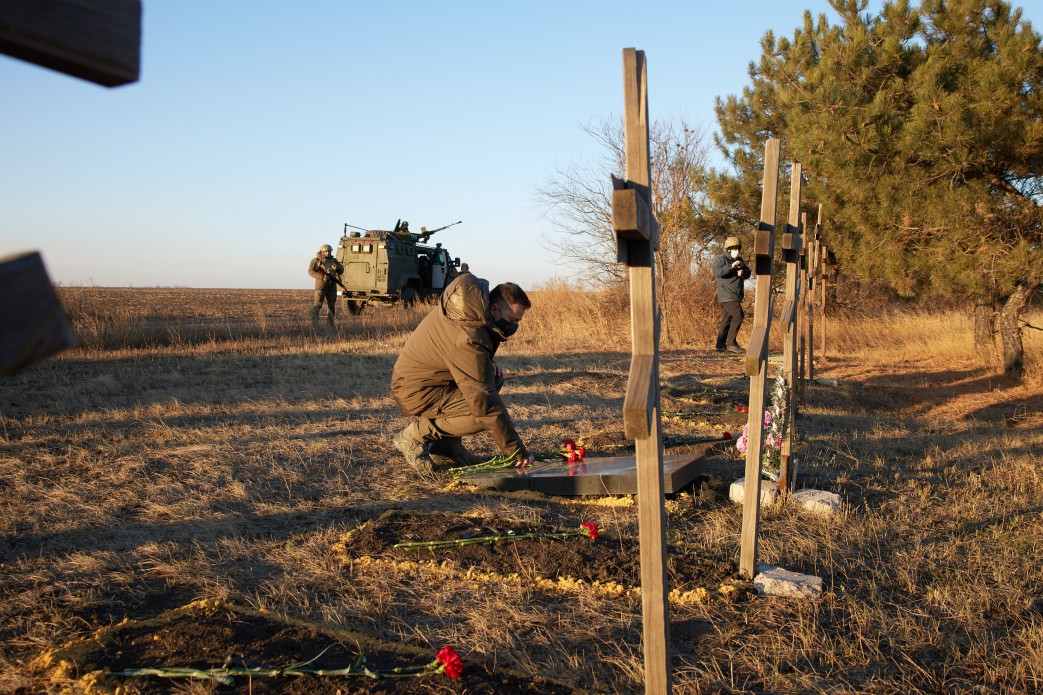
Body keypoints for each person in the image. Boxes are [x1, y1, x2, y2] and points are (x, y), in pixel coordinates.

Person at [391, 273, 534, 473]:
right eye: (512, 320)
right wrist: (516, 451)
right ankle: (414, 435)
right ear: (494, 308)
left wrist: (486, 363)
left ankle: (445, 447)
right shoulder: (468, 333)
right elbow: (483, 401)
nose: (514, 327)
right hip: (416, 390)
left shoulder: (471, 312)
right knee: (481, 413)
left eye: (518, 322)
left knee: (491, 379)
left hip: (430, 382)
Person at [712, 236, 751, 353]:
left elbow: (748, 273)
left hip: (736, 295)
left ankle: (720, 346)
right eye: (734, 249)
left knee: (728, 318)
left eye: (738, 249)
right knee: (739, 315)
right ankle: (731, 343)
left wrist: (743, 272)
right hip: (726, 295)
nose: (737, 251)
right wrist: (731, 267)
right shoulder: (720, 260)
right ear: (728, 249)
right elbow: (717, 272)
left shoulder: (740, 260)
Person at [308, 244, 343, 328]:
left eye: (329, 251)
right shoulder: (316, 260)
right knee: (317, 305)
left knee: (331, 306)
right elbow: (311, 271)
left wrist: (337, 267)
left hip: (332, 286)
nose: (327, 253)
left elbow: (341, 270)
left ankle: (330, 324)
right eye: (326, 251)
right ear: (322, 251)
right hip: (321, 286)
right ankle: (315, 324)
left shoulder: (334, 261)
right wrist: (322, 277)